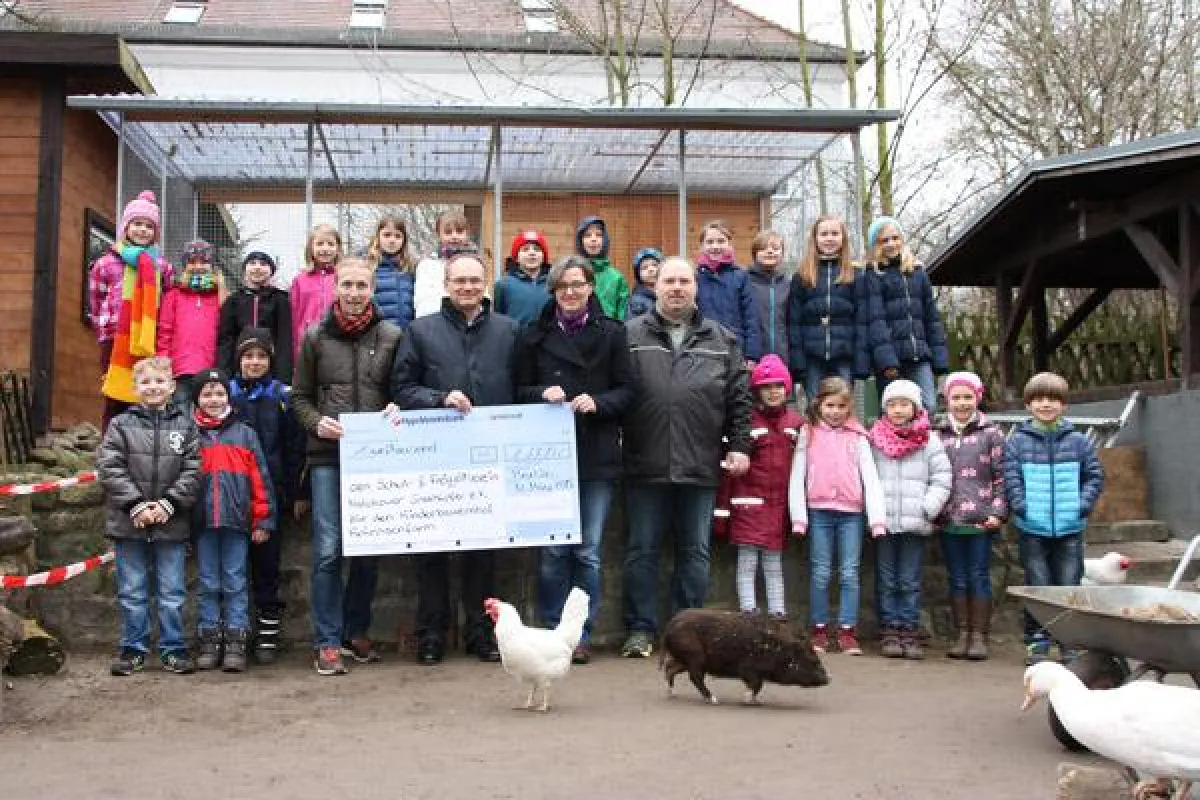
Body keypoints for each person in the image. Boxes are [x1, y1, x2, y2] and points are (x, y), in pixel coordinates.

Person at [620, 256, 753, 658]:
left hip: (700, 463)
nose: (676, 287)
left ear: (696, 287)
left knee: (695, 553)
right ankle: (640, 630)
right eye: (669, 281)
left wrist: (740, 446)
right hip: (645, 462)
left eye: (684, 281)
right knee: (641, 550)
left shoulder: (723, 339)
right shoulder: (628, 336)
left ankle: (686, 632)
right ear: (654, 286)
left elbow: (740, 401)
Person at [392, 251, 519, 665]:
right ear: (446, 285)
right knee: (431, 550)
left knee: (484, 551)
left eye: (474, 280)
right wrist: (439, 399)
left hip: (489, 458)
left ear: (486, 285)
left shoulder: (509, 331)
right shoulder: (420, 331)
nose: (467, 287)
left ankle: (482, 634)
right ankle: (432, 633)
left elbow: (523, 390)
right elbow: (403, 387)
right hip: (436, 461)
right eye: (459, 280)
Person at [515, 255, 634, 664]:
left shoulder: (613, 334)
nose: (570, 292)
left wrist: (597, 402)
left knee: (588, 551)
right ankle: (552, 629)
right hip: (548, 459)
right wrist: (540, 393)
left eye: (577, 284)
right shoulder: (533, 335)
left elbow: (628, 392)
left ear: (590, 288)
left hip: (596, 454)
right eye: (562, 286)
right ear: (553, 291)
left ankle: (580, 633)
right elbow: (518, 388)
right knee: (552, 552)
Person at [292, 258, 404, 676]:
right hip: (327, 457)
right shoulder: (315, 337)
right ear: (335, 287)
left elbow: (402, 391)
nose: (355, 293)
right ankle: (326, 639)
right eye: (348, 285)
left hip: (376, 460)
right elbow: (299, 397)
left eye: (362, 286)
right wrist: (315, 422)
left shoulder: (392, 336)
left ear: (373, 289)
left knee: (369, 550)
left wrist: (398, 406)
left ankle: (355, 630)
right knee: (327, 550)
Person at [96, 356, 200, 676]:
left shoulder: (186, 425)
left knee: (171, 590)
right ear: (135, 387)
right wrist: (137, 506)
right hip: (130, 522)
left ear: (171, 386)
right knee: (132, 589)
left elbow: (193, 470)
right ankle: (133, 648)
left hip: (172, 521)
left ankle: (172, 647)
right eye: (146, 382)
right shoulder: (120, 425)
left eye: (159, 382)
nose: (153, 387)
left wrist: (167, 504)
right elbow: (110, 467)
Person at [1004, 371, 1103, 665]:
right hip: (1032, 528)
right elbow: (1011, 479)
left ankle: (1070, 642)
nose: (1046, 405)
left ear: (1064, 405)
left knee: (1068, 584)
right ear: (1028, 405)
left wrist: (1080, 506)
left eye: (1053, 399)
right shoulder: (1017, 443)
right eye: (1039, 399)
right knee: (1038, 585)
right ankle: (1038, 643)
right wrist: (1022, 507)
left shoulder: (1079, 442)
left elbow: (1094, 477)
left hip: (1070, 528)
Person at [788, 376, 885, 656]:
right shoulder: (809, 433)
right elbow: (798, 475)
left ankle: (847, 631)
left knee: (849, 573)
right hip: (818, 511)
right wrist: (799, 517)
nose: (835, 411)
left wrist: (876, 519)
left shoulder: (858, 436)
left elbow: (870, 477)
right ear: (820, 405)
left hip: (851, 514)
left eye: (841, 406)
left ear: (849, 407)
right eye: (829, 405)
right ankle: (818, 630)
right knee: (819, 573)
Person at [189, 368, 276, 674]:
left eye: (220, 393)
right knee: (208, 583)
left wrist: (262, 519)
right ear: (197, 398)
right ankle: (209, 639)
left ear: (229, 396)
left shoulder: (244, 432)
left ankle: (236, 640)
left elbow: (260, 479)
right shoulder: (189, 434)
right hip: (202, 522)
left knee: (236, 581)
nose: (214, 399)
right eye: (207, 393)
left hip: (237, 521)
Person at [229, 329, 306, 665]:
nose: (255, 362)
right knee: (231, 569)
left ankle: (267, 634)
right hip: (230, 494)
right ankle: (234, 633)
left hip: (270, 496)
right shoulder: (224, 395)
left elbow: (294, 449)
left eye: (261, 356)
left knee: (267, 568)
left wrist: (297, 493)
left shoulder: (282, 396)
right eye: (248, 356)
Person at [712, 355, 803, 619]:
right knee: (747, 562)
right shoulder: (746, 424)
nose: (772, 392)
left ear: (786, 388)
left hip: (778, 507)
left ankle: (777, 611)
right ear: (756, 391)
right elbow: (728, 472)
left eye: (777, 385)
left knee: (774, 564)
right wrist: (722, 514)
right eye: (765, 387)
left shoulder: (796, 424)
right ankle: (748, 610)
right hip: (747, 505)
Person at [868, 379, 952, 660]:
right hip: (885, 521)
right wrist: (874, 511)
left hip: (916, 521)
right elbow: (867, 477)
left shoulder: (929, 441)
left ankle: (909, 628)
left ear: (915, 408)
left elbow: (942, 478)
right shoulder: (874, 439)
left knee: (909, 579)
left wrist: (928, 507)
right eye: (892, 405)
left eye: (904, 404)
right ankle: (890, 629)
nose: (898, 410)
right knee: (887, 578)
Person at [934, 371, 1006, 661]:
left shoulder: (992, 433)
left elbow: (1003, 476)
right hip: (950, 519)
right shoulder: (937, 434)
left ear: (978, 397)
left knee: (978, 576)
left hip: (981, 519)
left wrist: (998, 512)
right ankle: (962, 632)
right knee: (957, 577)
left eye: (968, 397)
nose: (962, 403)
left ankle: (979, 635)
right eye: (956, 397)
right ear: (947, 400)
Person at [88, 190, 175, 427]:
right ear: (126, 226)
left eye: (149, 226)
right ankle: (111, 451)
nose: (142, 230)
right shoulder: (105, 264)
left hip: (148, 339)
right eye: (137, 224)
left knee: (146, 392)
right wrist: (104, 330)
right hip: (114, 338)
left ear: (155, 233)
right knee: (115, 395)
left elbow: (167, 302)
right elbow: (96, 301)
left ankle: (142, 448)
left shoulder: (162, 267)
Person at [861, 216, 948, 413]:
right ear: (876, 245)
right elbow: (876, 321)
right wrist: (887, 360)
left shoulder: (917, 273)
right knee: (894, 411)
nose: (891, 244)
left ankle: (922, 444)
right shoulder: (873, 275)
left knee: (928, 406)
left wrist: (940, 361)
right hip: (891, 358)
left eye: (895, 238)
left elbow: (932, 318)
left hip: (919, 354)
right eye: (885, 240)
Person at [787, 214, 866, 402]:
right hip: (812, 355)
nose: (829, 238)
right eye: (823, 234)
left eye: (834, 233)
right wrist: (798, 360)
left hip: (844, 354)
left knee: (842, 405)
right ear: (815, 239)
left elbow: (862, 319)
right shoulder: (802, 276)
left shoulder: (855, 274)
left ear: (843, 238)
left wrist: (860, 360)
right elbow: (794, 321)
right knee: (815, 406)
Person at [157, 239, 226, 406]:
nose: (198, 266)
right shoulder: (173, 294)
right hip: (180, 370)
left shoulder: (221, 295)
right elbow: (164, 331)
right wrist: (163, 363)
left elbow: (225, 333)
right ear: (184, 265)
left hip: (211, 370)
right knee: (181, 416)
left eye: (204, 262)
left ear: (212, 265)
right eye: (192, 262)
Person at [217, 251, 292, 383]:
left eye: (263, 264)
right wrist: (225, 375)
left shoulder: (281, 300)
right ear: (245, 270)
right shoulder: (233, 301)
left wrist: (283, 378)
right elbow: (226, 340)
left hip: (271, 371)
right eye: (252, 263)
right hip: (240, 370)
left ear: (271, 271)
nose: (257, 267)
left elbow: (284, 340)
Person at [694, 220, 762, 361]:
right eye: (710, 242)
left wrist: (752, 355)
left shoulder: (741, 276)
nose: (715, 246)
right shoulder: (695, 277)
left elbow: (751, 317)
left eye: (721, 241)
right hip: (703, 349)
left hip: (735, 348)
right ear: (702, 246)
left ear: (729, 244)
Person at [289, 223, 342, 363]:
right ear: (311, 248)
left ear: (338, 249)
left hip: (338, 341)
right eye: (320, 244)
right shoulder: (300, 280)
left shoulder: (342, 277)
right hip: (307, 343)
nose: (325, 248)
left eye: (330, 244)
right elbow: (294, 317)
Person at [413, 210, 475, 318]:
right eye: (448, 232)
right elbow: (422, 303)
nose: (454, 236)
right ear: (439, 234)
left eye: (459, 231)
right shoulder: (427, 265)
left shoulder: (475, 264)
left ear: (467, 233)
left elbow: (482, 299)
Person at [367, 214, 417, 332]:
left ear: (404, 240)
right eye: (387, 235)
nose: (392, 240)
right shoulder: (368, 266)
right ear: (377, 237)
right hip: (378, 334)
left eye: (398, 236)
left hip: (406, 334)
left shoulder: (411, 267)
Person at [746, 230, 790, 363]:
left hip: (782, 357)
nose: (770, 251)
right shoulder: (745, 282)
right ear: (755, 254)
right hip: (753, 358)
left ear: (782, 254)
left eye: (775, 248)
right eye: (763, 248)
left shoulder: (788, 284)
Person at [575, 215, 629, 320]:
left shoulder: (617, 278)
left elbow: (622, 316)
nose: (593, 239)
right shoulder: (572, 274)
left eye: (598, 235)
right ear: (580, 241)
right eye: (587, 235)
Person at [495, 229, 552, 327]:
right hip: (515, 340)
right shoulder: (503, 284)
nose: (531, 253)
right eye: (525, 249)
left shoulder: (553, 283)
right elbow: (498, 317)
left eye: (537, 249)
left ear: (543, 256)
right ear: (516, 257)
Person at [628, 247, 662, 318]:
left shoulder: (666, 293)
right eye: (644, 267)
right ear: (638, 275)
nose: (651, 269)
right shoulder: (637, 301)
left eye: (655, 265)